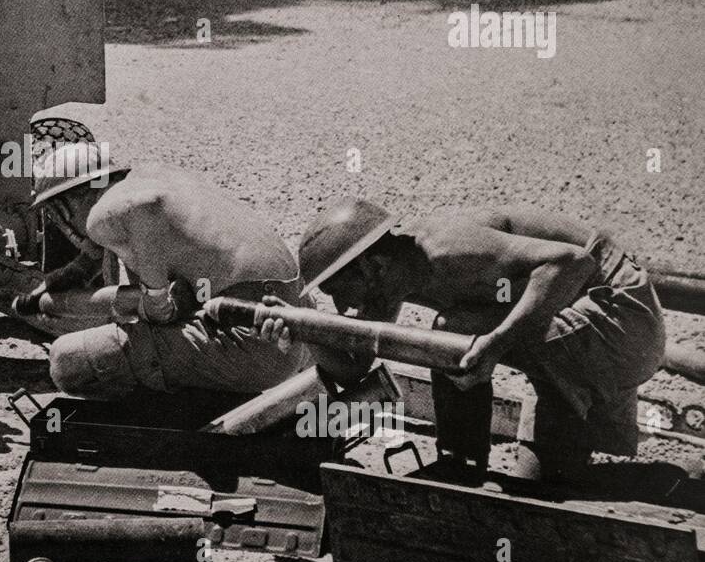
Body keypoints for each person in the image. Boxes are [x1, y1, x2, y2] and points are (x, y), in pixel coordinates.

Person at [262, 198, 665, 481]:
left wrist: (495, 344)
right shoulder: (391, 276)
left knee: (450, 333)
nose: (342, 305)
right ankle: (643, 472)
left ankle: (461, 462)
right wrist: (304, 332)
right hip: (580, 320)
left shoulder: (448, 252)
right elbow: (354, 366)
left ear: (373, 267)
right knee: (550, 484)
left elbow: (571, 263)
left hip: (623, 324)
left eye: (338, 291)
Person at [12, 143, 311, 397]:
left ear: (65, 206)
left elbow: (145, 206)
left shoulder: (108, 211)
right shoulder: (154, 175)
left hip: (251, 344)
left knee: (68, 360)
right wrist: (72, 273)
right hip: (293, 325)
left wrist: (155, 300)